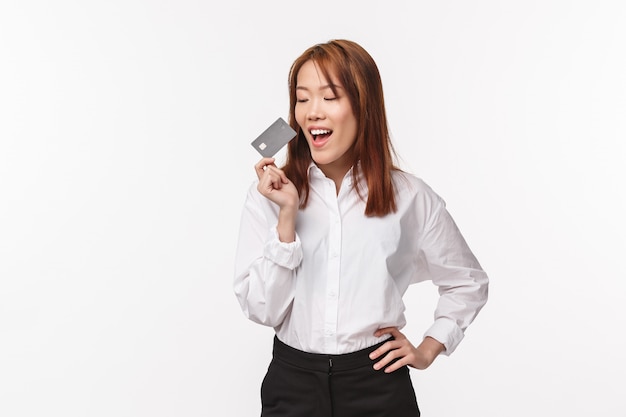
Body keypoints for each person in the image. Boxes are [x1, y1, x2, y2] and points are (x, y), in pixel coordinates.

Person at [233, 39, 488, 417]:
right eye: (302, 99)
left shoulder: (410, 197)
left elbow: (467, 281)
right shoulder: (269, 196)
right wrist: (287, 218)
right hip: (292, 384)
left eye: (330, 97)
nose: (312, 112)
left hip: (378, 385)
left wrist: (430, 347)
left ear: (362, 105)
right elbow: (262, 310)